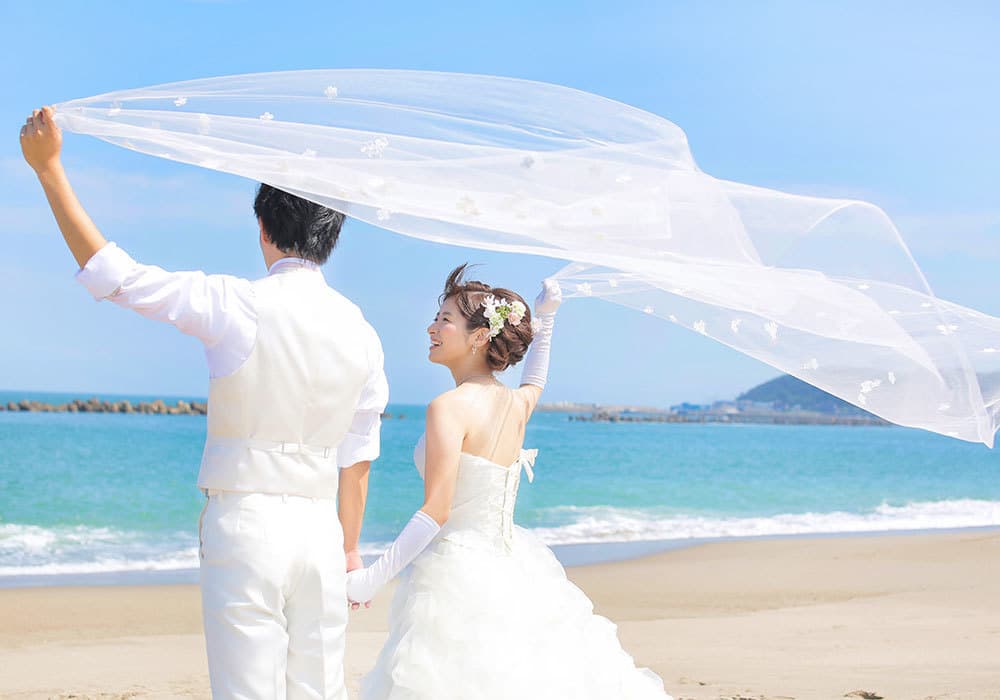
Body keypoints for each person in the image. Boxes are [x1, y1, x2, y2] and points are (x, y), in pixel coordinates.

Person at [20, 106, 388, 699]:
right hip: (323, 532)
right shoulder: (363, 332)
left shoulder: (235, 302)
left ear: (263, 227)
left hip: (246, 525)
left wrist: (49, 169)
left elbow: (115, 275)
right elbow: (359, 458)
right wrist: (348, 551)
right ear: (332, 237)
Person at [346, 265, 672, 699]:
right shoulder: (514, 403)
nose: (432, 328)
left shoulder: (449, 407)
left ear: (480, 337)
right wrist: (547, 318)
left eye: (445, 319)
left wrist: (372, 577)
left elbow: (436, 511)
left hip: (456, 573)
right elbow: (535, 380)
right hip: (510, 563)